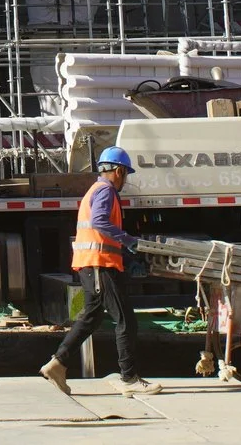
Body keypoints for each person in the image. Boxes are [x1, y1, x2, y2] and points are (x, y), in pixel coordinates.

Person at [41, 147, 159, 398]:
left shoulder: (96, 189)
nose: (125, 179)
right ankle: (129, 378)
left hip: (94, 262)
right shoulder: (106, 190)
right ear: (118, 171)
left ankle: (57, 364)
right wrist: (128, 240)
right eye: (125, 174)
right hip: (99, 264)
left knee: (92, 317)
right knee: (126, 320)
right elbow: (100, 221)